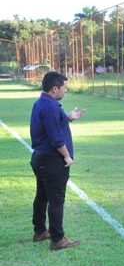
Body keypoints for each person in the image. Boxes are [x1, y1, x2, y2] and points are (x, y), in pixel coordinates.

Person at [30, 71, 85, 250]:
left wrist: (70, 118)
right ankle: (58, 239)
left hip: (41, 159)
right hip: (52, 160)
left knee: (42, 196)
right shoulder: (50, 107)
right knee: (56, 199)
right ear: (55, 89)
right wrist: (67, 156)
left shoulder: (43, 102)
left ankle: (40, 231)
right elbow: (56, 139)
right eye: (64, 88)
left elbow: (52, 126)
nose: (65, 91)